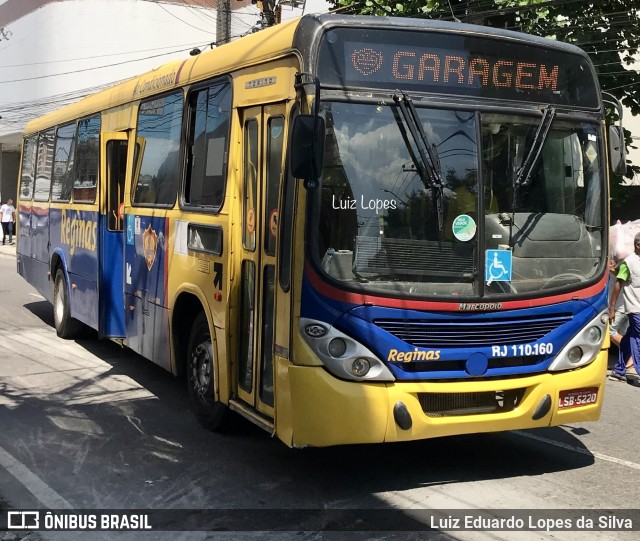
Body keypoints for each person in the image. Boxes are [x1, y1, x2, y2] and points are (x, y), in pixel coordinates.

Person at [608, 232, 640, 383]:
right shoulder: (629, 262)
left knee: (629, 338)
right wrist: (612, 308)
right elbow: (618, 285)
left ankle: (619, 370)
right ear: (638, 245)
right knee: (637, 338)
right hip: (634, 308)